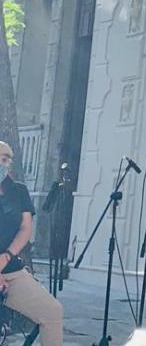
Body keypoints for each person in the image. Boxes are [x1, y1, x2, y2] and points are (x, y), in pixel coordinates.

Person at [0, 141, 64, 346]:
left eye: (8, 159)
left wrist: (7, 256)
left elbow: (25, 228)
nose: (5, 164)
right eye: (1, 158)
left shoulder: (18, 191)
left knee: (52, 311)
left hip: (11, 269)